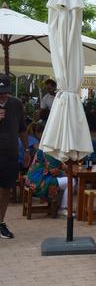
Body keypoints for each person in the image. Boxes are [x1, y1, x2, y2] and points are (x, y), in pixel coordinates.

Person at [0, 74, 30, 239]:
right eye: (0, 92)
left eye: (5, 91)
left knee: (6, 190)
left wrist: (26, 150)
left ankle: (1, 222)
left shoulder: (16, 104)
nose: (3, 95)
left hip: (11, 154)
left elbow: (22, 129)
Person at [26, 149, 75, 215]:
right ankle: (63, 208)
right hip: (39, 181)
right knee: (71, 181)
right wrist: (65, 168)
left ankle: (58, 206)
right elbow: (54, 170)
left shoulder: (42, 149)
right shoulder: (49, 152)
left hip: (32, 179)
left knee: (64, 180)